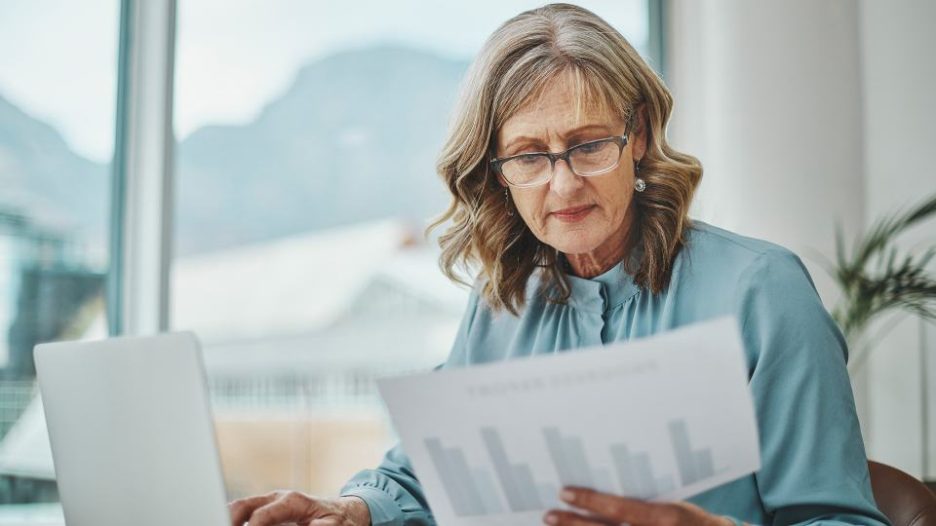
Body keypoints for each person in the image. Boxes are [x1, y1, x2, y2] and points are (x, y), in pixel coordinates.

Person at [228, 4, 890, 525]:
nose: (564, 185)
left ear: (637, 137)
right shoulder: (501, 306)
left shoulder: (761, 292)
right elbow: (424, 476)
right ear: (496, 174)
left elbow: (838, 520)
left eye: (588, 144)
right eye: (529, 156)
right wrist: (354, 510)